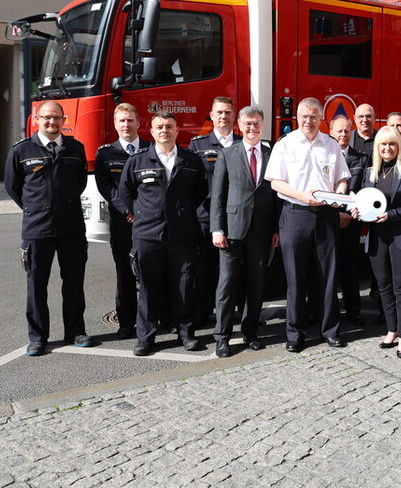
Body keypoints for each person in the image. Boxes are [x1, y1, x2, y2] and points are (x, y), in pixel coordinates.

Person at [5, 100, 94, 356]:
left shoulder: (76, 148)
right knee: (36, 286)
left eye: (56, 118)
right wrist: (36, 207)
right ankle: (37, 337)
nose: (51, 122)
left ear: (64, 121)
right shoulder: (21, 150)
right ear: (37, 119)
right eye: (46, 118)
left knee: (74, 283)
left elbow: (79, 184)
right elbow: (13, 187)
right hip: (37, 229)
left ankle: (75, 331)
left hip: (71, 228)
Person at [117, 111, 208, 356]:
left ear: (177, 130)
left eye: (169, 126)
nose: (164, 131)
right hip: (148, 233)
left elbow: (200, 192)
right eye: (160, 127)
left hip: (182, 233)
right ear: (152, 131)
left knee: (183, 284)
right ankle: (145, 337)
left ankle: (186, 333)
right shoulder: (137, 161)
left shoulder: (191, 160)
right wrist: (136, 212)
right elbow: (124, 192)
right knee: (148, 285)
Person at [265, 97, 351, 352]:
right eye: (304, 116)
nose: (308, 121)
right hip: (295, 214)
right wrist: (303, 197)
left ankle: (330, 331)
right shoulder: (286, 144)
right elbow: (275, 182)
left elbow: (342, 178)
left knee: (327, 276)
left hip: (325, 216)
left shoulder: (331, 145)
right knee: (295, 278)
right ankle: (295, 334)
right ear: (297, 117)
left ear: (321, 118)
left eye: (314, 116)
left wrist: (339, 195)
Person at [210, 106, 280, 357]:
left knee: (256, 284)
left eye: (257, 123)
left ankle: (250, 332)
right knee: (227, 285)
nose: (252, 128)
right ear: (240, 125)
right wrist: (217, 228)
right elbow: (217, 196)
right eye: (248, 124)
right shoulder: (228, 154)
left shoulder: (272, 154)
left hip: (261, 231)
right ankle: (223, 337)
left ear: (263, 125)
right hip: (231, 230)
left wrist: (275, 229)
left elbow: (276, 197)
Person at [356, 126, 401, 358]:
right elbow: (365, 202)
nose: (387, 148)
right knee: (383, 286)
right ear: (377, 148)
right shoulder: (370, 173)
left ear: (399, 146)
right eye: (383, 144)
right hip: (377, 237)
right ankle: (392, 329)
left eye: (392, 144)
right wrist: (358, 211)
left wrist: (392, 215)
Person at [94, 103, 147, 339]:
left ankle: (154, 318)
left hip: (149, 221)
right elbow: (106, 187)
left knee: (151, 272)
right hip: (121, 222)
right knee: (124, 273)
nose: (126, 125)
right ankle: (126, 322)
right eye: (122, 121)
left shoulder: (151, 149)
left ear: (139, 123)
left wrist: (142, 210)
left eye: (130, 120)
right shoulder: (105, 154)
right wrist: (127, 209)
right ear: (115, 125)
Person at [189, 97, 241, 329]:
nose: (223, 116)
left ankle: (236, 313)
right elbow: (191, 181)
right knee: (205, 268)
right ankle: (202, 313)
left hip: (236, 216)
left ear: (234, 115)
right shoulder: (197, 145)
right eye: (219, 112)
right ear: (211, 115)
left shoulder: (242, 143)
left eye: (228, 112)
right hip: (206, 216)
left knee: (235, 269)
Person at [329, 115, 370, 325]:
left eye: (346, 131)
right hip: (327, 220)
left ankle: (354, 311)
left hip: (351, 221)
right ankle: (324, 312)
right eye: (339, 131)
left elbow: (366, 188)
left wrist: (352, 212)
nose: (343, 135)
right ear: (331, 132)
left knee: (349, 268)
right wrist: (334, 215)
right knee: (325, 268)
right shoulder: (323, 155)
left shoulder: (362, 159)